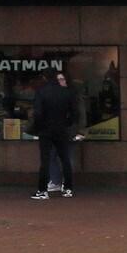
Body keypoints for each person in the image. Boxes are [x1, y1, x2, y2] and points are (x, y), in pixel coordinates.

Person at [30, 68, 82, 199]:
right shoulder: (67, 93)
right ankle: (68, 188)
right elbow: (75, 113)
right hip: (61, 128)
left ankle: (43, 190)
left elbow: (38, 113)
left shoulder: (41, 92)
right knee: (65, 159)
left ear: (45, 78)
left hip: (45, 130)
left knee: (45, 160)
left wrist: (38, 126)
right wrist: (67, 123)